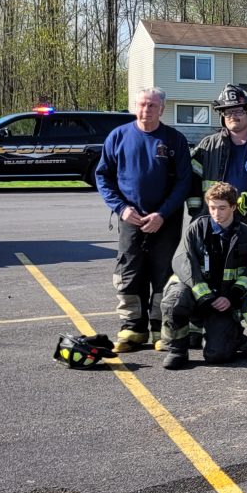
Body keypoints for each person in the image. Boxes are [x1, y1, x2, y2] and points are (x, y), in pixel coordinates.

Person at [95, 87, 191, 353]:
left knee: (164, 274)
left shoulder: (174, 140)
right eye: (142, 105)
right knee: (129, 272)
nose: (146, 110)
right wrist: (121, 209)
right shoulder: (118, 137)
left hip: (165, 220)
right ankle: (132, 328)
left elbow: (184, 182)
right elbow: (103, 177)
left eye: (152, 105)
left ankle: (161, 328)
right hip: (131, 218)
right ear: (134, 107)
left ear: (162, 109)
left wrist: (162, 213)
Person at [159, 182, 247, 370]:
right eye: (212, 207)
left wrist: (232, 297)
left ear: (234, 207)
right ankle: (178, 349)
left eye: (222, 208)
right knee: (175, 298)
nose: (216, 213)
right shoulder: (196, 229)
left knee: (218, 355)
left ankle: (233, 335)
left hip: (224, 302)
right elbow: (183, 262)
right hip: (199, 296)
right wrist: (205, 295)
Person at [185, 84, 247, 231]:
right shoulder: (208, 145)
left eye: (239, 111)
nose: (233, 116)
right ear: (222, 117)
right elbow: (192, 180)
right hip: (215, 219)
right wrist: (197, 212)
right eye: (228, 112)